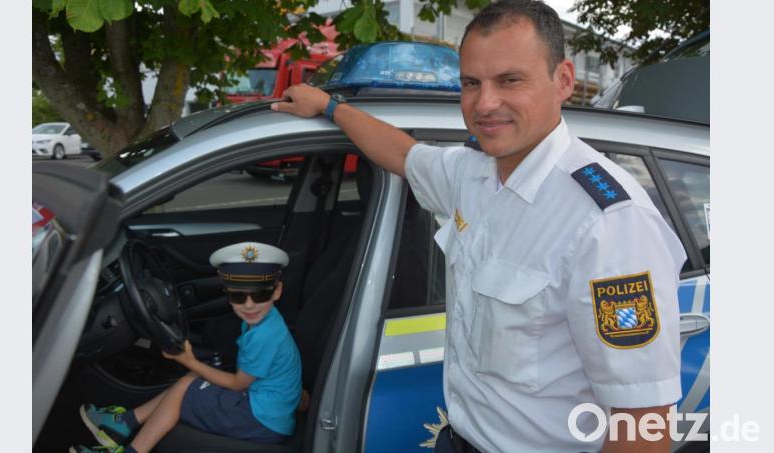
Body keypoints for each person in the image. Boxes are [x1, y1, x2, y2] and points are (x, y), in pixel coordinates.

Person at [271, 1, 686, 451]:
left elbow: (644, 423)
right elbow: (403, 155)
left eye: (510, 80)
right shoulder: (473, 172)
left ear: (563, 80)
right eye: (472, 83)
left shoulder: (608, 224)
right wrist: (331, 108)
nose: (485, 103)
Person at [71, 242, 303, 453]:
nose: (249, 305)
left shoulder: (264, 336)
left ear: (277, 291)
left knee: (187, 392)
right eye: (238, 296)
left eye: (260, 294)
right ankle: (123, 424)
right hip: (270, 411)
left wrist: (188, 360)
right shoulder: (267, 320)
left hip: (261, 420)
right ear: (227, 294)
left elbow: (238, 383)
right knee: (191, 378)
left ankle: (131, 446)